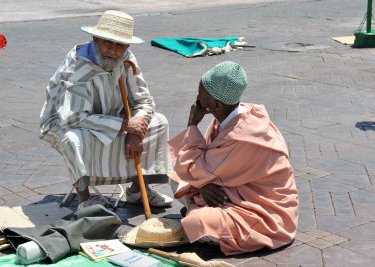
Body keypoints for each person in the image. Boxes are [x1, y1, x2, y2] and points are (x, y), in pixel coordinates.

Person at [39, 10, 173, 210]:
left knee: (159, 122)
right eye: (107, 42)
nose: (112, 50)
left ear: (127, 46)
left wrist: (136, 131)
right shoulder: (78, 67)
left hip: (112, 118)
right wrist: (125, 125)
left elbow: (144, 100)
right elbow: (74, 117)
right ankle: (85, 200)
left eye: (119, 45)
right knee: (73, 138)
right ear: (95, 39)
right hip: (65, 122)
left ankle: (138, 190)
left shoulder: (127, 60)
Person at [168, 61, 299, 255]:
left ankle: (209, 224)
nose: (197, 97)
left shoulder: (240, 136)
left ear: (216, 105)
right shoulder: (234, 116)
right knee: (176, 178)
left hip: (266, 212)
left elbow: (195, 168)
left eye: (201, 93)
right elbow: (201, 166)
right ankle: (201, 209)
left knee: (196, 221)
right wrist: (202, 183)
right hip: (236, 191)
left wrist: (192, 125)